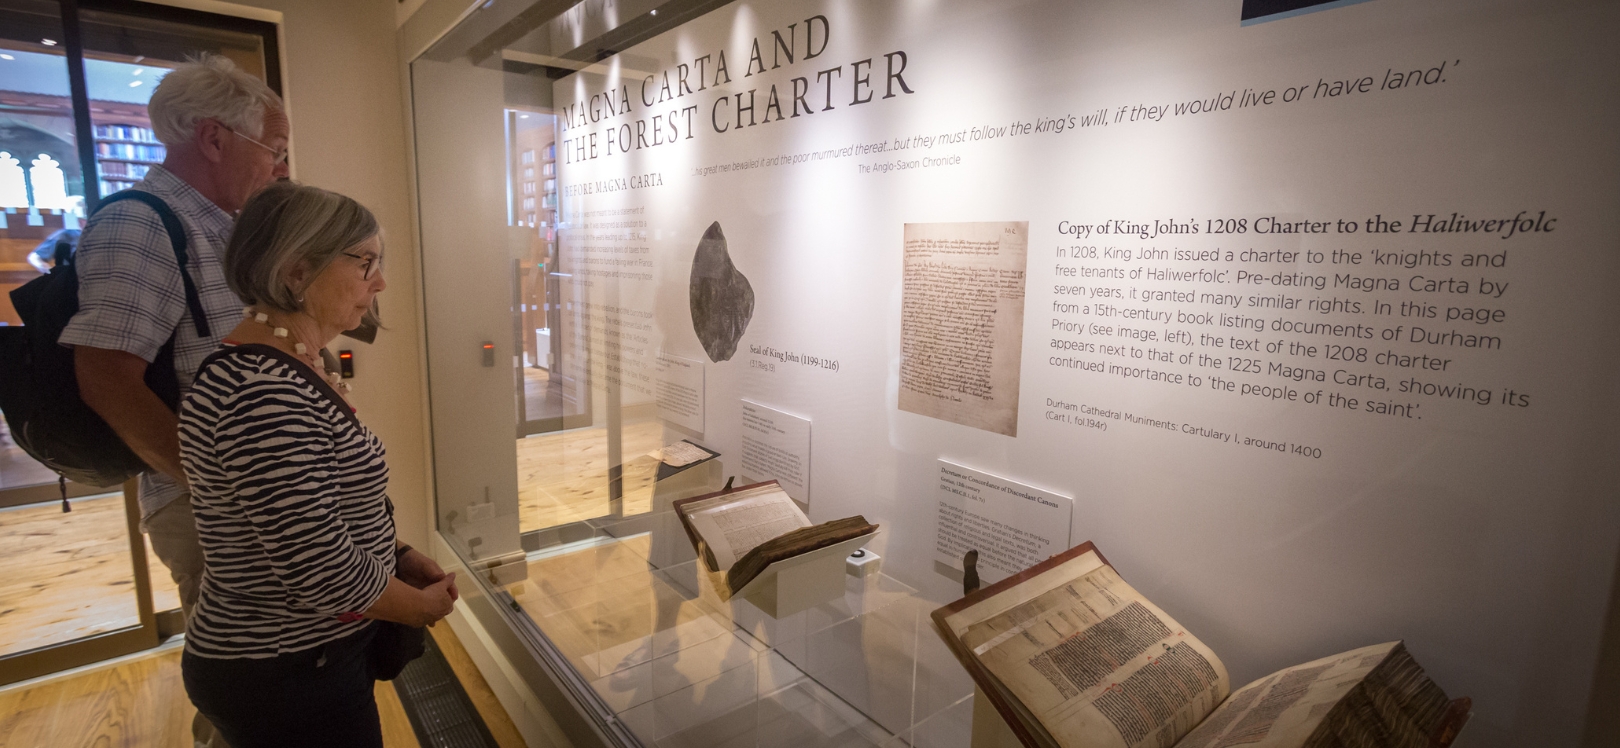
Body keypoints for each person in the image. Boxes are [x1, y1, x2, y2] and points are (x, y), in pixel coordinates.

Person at [58, 53, 288, 748]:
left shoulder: (216, 223)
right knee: (250, 687)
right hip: (211, 505)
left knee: (267, 679)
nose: (279, 166)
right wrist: (215, 487)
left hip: (241, 492)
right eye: (272, 150)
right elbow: (105, 378)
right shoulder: (142, 225)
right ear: (214, 138)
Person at [178, 181, 457, 748]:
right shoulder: (262, 390)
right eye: (365, 263)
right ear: (298, 272)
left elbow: (312, 508)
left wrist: (396, 554)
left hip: (303, 660)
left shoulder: (290, 365)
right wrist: (417, 608)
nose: (379, 283)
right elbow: (318, 566)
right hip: (286, 668)